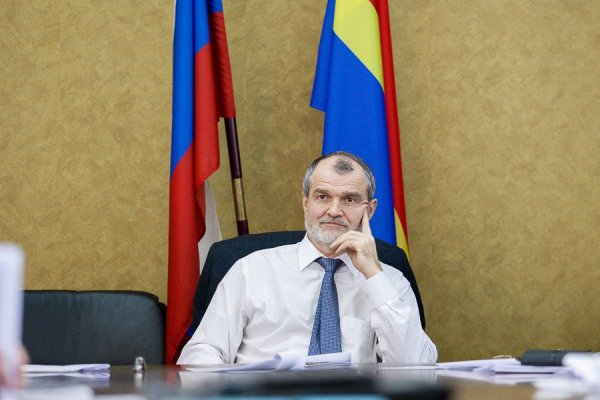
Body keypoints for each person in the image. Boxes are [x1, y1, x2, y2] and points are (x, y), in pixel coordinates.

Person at [178, 151, 437, 364]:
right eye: (322, 197)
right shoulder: (250, 270)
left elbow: (418, 368)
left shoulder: (390, 280)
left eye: (349, 199)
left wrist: (374, 276)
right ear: (306, 203)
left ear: (369, 210)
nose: (334, 210)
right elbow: (201, 353)